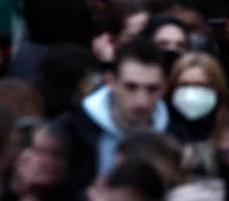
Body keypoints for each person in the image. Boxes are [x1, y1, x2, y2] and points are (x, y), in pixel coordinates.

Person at [53, 39, 169, 193]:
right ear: (111, 81)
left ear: (162, 87)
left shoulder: (174, 135)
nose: (142, 101)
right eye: (131, 87)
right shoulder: (71, 129)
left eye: (152, 89)